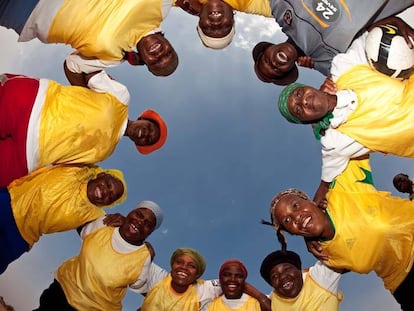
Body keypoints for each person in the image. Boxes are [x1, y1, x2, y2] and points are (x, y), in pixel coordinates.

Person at [269, 158, 414, 310]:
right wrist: (311, 235)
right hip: (402, 285)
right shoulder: (323, 253)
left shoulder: (341, 187)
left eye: (296, 205)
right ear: (292, 233)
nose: (296, 216)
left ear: (310, 201)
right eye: (287, 220)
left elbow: (342, 140)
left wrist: (324, 184)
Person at [276, 55, 414, 205]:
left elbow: (380, 40)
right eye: (297, 109)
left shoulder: (342, 68)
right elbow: (327, 178)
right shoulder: (335, 141)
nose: (304, 101)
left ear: (307, 87)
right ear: (305, 120)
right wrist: (317, 202)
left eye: (298, 93)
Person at [0, 72, 167, 187]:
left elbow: (65, 166)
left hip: (27, 157)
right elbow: (77, 67)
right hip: (34, 105)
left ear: (139, 144)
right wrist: (83, 96)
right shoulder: (121, 97)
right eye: (150, 128)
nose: (147, 134)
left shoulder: (104, 155)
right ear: (143, 118)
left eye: (149, 139)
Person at [34, 200, 163, 310]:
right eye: (139, 215)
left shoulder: (144, 258)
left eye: (148, 224)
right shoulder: (105, 223)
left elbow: (157, 291)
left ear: (149, 233)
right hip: (59, 294)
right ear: (129, 213)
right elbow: (81, 207)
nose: (141, 222)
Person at [0, 164, 126, 275]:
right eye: (108, 184)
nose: (106, 192)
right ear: (102, 175)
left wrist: (123, 227)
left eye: (111, 197)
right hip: (9, 201)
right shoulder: (76, 167)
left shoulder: (93, 215)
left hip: (20, 238)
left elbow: (106, 238)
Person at [0, 0, 178, 78]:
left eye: (156, 62)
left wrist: (90, 93)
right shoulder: (161, 7)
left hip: (23, 14)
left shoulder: (113, 57)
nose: (160, 54)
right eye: (168, 53)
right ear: (169, 43)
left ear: (145, 62)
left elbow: (72, 66)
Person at [253, 3, 414, 85]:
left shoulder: (281, 10)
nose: (274, 63)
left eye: (267, 61)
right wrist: (390, 22)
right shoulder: (331, 63)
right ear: (289, 70)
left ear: (268, 47)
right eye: (276, 70)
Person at [135, 247, 222, 310]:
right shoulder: (158, 278)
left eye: (191, 266)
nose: (184, 267)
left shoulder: (202, 290)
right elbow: (134, 257)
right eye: (179, 262)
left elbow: (231, 281)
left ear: (197, 274)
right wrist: (141, 246)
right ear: (172, 265)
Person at [259, 247, 342, 311]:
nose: (282, 276)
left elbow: (338, 249)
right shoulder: (273, 299)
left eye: (287, 269)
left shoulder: (319, 278)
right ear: (272, 285)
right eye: (274, 276)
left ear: (299, 270)